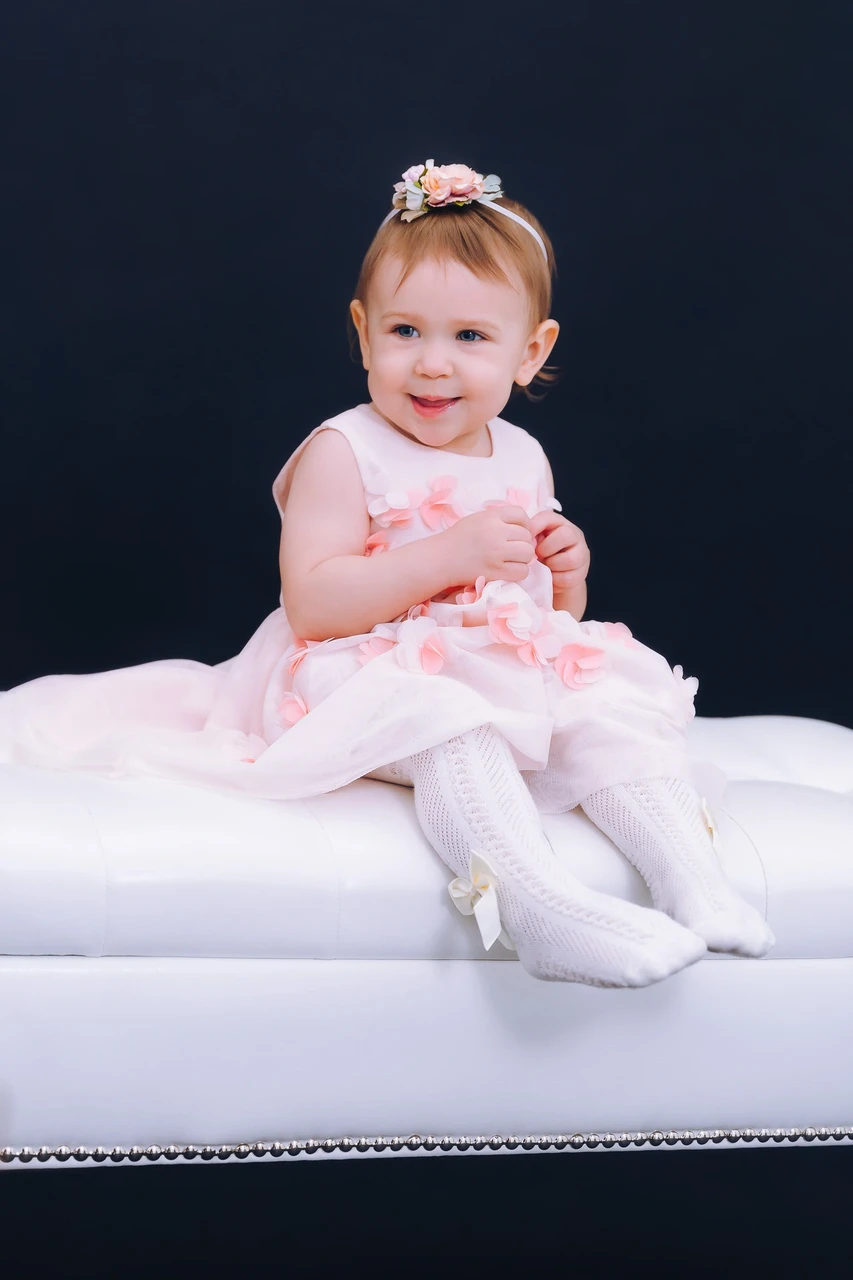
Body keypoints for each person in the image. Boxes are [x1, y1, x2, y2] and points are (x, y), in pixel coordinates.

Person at [0, 158, 775, 987]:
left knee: (609, 708)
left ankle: (693, 882)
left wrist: (563, 576)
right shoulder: (345, 450)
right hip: (356, 671)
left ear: (529, 351)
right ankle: (538, 908)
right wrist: (449, 554)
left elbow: (541, 618)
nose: (432, 364)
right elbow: (313, 606)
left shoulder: (522, 454)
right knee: (445, 719)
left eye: (470, 337)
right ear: (364, 331)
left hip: (492, 666)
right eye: (405, 332)